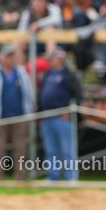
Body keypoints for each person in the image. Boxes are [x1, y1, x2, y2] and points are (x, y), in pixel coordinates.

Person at [0, 44, 34, 181]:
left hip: (19, 116)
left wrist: (29, 110)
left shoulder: (21, 72)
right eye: (8, 56)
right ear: (1, 57)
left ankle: (21, 177)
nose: (10, 58)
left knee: (20, 149)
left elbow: (29, 92)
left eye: (12, 55)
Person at [38, 48, 82, 183]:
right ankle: (53, 176)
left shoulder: (69, 74)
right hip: (47, 116)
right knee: (51, 149)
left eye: (52, 58)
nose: (49, 61)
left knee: (68, 149)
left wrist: (69, 111)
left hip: (63, 117)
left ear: (60, 59)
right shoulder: (47, 74)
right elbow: (41, 94)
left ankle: (71, 177)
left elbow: (78, 94)